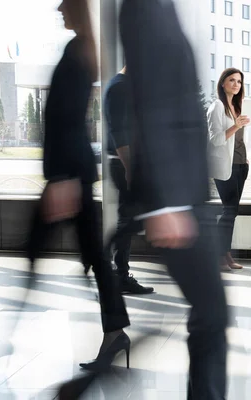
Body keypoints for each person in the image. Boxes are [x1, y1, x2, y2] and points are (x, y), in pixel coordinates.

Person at [120, 0, 228, 398]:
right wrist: (165, 203)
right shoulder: (145, 8)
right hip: (175, 200)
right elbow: (152, 104)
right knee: (211, 316)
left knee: (210, 317)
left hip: (185, 196)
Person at [25, 0, 131, 370]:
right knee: (91, 257)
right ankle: (116, 332)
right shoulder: (81, 49)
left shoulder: (77, 51)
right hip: (71, 172)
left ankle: (8, 338)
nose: (58, 9)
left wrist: (62, 179)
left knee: (39, 249)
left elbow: (65, 119)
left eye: (64, 4)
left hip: (68, 174)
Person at [104, 66, 154, 294]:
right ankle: (117, 274)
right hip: (123, 162)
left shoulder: (125, 87)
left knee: (131, 217)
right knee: (129, 218)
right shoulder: (119, 87)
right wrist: (130, 168)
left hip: (128, 162)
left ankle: (115, 270)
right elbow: (118, 132)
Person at [207, 68, 250, 272]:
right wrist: (236, 126)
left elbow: (239, 140)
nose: (236, 84)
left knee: (232, 211)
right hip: (226, 166)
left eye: (239, 81)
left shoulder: (237, 106)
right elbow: (215, 139)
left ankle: (224, 255)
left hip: (242, 164)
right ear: (222, 83)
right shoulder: (216, 106)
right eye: (231, 80)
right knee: (229, 210)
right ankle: (220, 255)